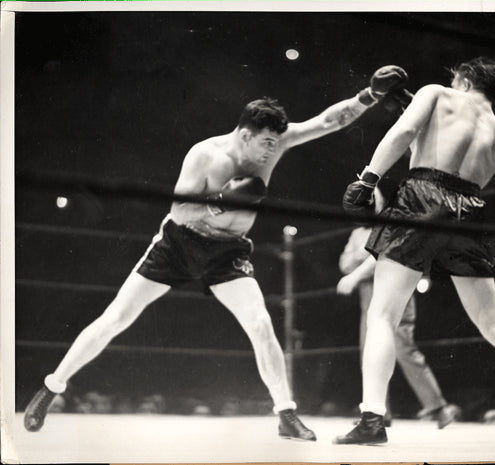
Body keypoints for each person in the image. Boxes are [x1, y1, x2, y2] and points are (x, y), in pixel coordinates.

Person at [23, 65, 410, 440]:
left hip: (227, 253)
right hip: (179, 242)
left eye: (276, 142)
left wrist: (369, 97)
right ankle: (51, 388)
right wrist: (223, 201)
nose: (270, 151)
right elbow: (179, 209)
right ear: (244, 134)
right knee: (117, 317)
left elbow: (327, 121)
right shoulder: (204, 156)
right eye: (265, 143)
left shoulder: (276, 144)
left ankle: (286, 414)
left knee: (260, 323)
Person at [334, 57, 495, 446]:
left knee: (383, 314)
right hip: (469, 211)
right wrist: (406, 100)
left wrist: (368, 179)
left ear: (464, 80)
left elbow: (407, 133)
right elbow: (455, 156)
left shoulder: (438, 93)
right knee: (493, 322)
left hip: (420, 198)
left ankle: (371, 418)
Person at [336, 189, 458, 428]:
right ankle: (378, 414)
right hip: (368, 298)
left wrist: (360, 264)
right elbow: (344, 263)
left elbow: (380, 256)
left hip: (395, 292)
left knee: (403, 348)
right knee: (369, 353)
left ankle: (439, 408)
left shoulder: (391, 222)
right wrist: (365, 259)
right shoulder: (356, 233)